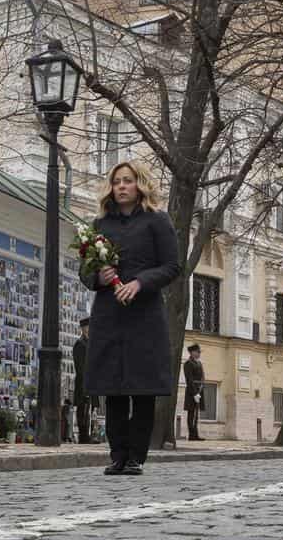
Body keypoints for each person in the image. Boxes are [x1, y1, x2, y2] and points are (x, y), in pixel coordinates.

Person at [81, 160, 181, 476]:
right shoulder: (100, 226)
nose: (121, 186)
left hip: (144, 316)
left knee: (141, 389)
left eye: (128, 180)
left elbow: (172, 266)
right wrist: (99, 276)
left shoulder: (157, 221)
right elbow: (85, 271)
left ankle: (136, 455)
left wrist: (140, 282)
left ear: (140, 185)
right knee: (112, 389)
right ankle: (117, 455)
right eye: (116, 181)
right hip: (109, 315)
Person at [72, 318, 94, 444]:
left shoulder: (91, 343)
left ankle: (88, 434)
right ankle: (83, 435)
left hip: (91, 382)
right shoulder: (79, 344)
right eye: (87, 327)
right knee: (82, 409)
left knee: (90, 410)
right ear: (83, 328)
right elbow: (79, 367)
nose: (89, 329)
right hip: (83, 382)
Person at [183, 344, 205, 441]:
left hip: (199, 389)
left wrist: (201, 386)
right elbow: (189, 379)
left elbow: (202, 377)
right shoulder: (188, 363)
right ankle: (191, 435)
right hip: (192, 391)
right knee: (191, 413)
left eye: (199, 352)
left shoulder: (199, 363)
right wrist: (195, 393)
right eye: (197, 352)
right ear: (192, 352)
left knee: (196, 414)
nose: (199, 353)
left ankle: (196, 434)